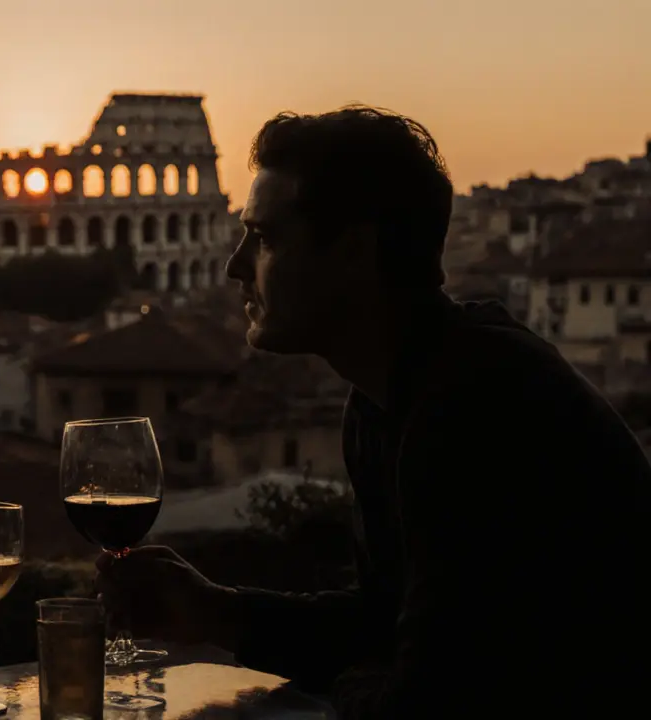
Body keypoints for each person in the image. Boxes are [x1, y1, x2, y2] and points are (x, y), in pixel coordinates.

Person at [97, 106, 651, 718]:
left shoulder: (475, 405)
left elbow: (426, 696)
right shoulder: (390, 396)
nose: (235, 266)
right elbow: (391, 619)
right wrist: (217, 612)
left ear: (355, 252)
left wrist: (357, 683)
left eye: (267, 238)